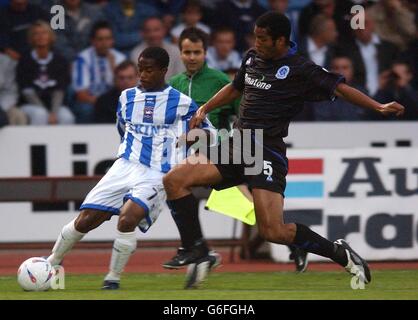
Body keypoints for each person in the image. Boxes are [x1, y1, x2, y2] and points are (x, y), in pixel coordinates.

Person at [162, 12, 405, 288]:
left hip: (266, 151)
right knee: (175, 179)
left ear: (280, 40)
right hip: (237, 144)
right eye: (256, 36)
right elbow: (235, 87)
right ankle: (197, 249)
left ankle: (339, 253)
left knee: (273, 231)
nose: (257, 42)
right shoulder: (253, 57)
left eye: (263, 38)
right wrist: (206, 108)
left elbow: (341, 88)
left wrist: (378, 106)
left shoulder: (301, 68)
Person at [46, 46, 218, 290]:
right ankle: (51, 263)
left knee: (127, 218)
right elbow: (122, 130)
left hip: (158, 172)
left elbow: (210, 135)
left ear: (163, 71)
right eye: (140, 69)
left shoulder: (182, 103)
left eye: (149, 70)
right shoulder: (126, 97)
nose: (143, 75)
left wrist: (191, 138)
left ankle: (112, 278)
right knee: (86, 220)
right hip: (124, 166)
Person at [17, 21, 75, 125]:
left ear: (50, 36)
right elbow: (27, 91)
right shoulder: (25, 60)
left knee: (67, 116)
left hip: (54, 106)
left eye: (44, 33)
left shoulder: (59, 60)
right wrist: (46, 112)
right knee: (40, 114)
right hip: (31, 105)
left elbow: (60, 90)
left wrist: (53, 112)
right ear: (31, 38)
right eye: (36, 33)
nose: (40, 36)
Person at [72, 21, 126, 123]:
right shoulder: (83, 59)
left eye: (107, 39)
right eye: (100, 39)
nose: (104, 43)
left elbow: (125, 88)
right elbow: (81, 94)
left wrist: (114, 68)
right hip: (91, 101)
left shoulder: (120, 59)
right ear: (93, 41)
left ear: (112, 41)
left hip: (114, 100)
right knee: (86, 109)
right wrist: (103, 103)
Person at [130, 16, 185, 81]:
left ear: (164, 31)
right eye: (148, 31)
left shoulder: (176, 51)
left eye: (156, 30)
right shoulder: (136, 53)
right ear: (142, 33)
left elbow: (180, 78)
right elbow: (138, 81)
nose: (152, 34)